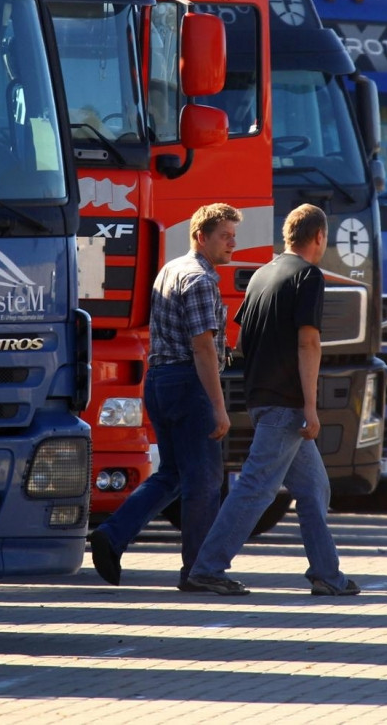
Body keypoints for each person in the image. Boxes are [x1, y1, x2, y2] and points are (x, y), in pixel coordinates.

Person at [187, 203, 360, 597]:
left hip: (262, 397)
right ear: (319, 238)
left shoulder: (262, 274)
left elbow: (244, 341)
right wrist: (311, 407)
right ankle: (208, 568)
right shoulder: (309, 277)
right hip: (288, 404)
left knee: (314, 488)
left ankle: (326, 574)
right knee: (256, 488)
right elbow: (308, 341)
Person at [89, 202, 241, 590]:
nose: (233, 244)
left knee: (172, 473)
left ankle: (112, 533)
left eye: (233, 236)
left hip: (158, 380)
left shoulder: (169, 269)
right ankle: (200, 572)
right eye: (225, 236)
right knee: (204, 482)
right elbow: (203, 347)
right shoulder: (200, 279)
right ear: (200, 236)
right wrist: (219, 407)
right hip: (190, 383)